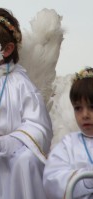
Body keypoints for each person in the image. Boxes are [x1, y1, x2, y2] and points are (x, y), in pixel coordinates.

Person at [0, 8, 53, 199]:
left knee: (27, 161)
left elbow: (39, 125)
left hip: (17, 151)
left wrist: (13, 141)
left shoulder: (20, 83)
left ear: (7, 49)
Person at [43, 67, 93, 199]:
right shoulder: (68, 145)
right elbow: (52, 180)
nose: (85, 115)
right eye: (78, 108)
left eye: (92, 107)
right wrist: (86, 180)